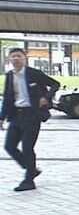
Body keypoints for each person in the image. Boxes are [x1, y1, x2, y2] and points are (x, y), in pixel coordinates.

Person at [1, 47, 60, 192]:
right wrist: (1, 118)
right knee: (9, 146)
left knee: (27, 147)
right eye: (13, 56)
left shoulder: (33, 74)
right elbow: (7, 98)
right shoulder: (9, 76)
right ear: (9, 59)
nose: (15, 59)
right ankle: (31, 169)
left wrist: (46, 98)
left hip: (32, 115)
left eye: (18, 56)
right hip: (16, 115)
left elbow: (55, 84)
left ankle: (29, 181)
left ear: (24, 58)